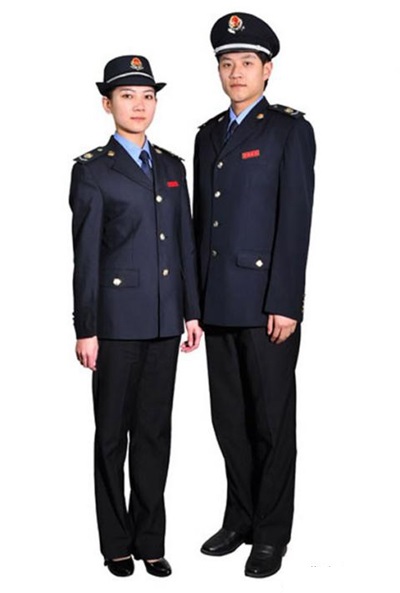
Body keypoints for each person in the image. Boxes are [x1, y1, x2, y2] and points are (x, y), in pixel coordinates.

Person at [69, 55, 202, 578]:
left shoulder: (171, 167)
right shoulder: (92, 170)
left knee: (154, 435)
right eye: (127, 96)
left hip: (166, 323)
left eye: (147, 96)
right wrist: (86, 328)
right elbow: (86, 257)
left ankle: (151, 540)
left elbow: (185, 245)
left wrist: (191, 312)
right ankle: (116, 543)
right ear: (108, 104)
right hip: (116, 326)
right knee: (111, 437)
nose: (139, 105)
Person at [193, 13, 316, 578]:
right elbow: (202, 226)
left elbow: (295, 221)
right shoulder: (207, 135)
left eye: (247, 62)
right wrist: (193, 305)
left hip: (267, 304)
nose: (236, 72)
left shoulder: (288, 130)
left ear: (267, 70)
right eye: (227, 62)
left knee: (271, 424)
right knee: (229, 421)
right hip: (217, 302)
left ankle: (270, 533)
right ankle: (239, 518)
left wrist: (286, 301)